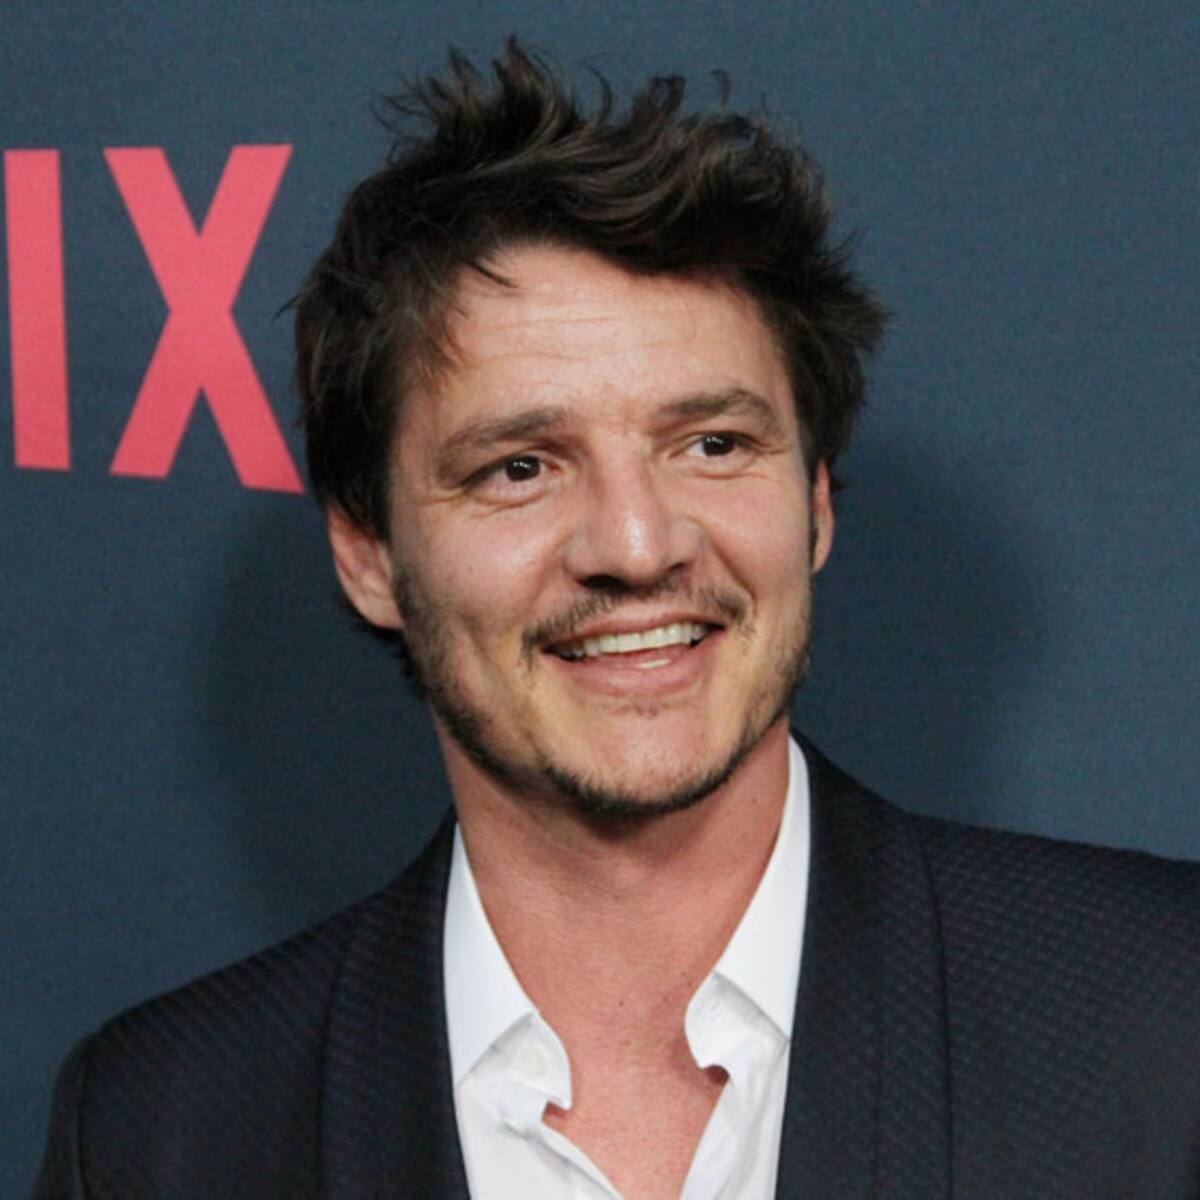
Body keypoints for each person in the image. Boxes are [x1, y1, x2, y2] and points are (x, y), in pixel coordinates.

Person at [35, 40, 1200, 1200]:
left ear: (814, 503)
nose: (638, 547)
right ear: (369, 553)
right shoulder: (164, 1133)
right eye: (521, 468)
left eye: (712, 445)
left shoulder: (1162, 1016)